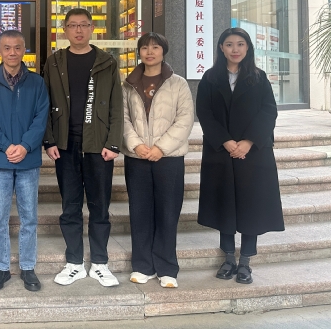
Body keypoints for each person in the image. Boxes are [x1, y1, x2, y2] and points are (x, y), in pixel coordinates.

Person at [43, 8, 124, 287]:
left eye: (84, 25)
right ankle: (74, 263)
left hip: (98, 145)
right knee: (70, 206)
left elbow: (116, 105)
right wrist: (49, 140)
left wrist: (113, 143)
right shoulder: (54, 62)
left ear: (92, 29)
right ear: (65, 30)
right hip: (65, 145)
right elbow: (44, 103)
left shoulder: (106, 62)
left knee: (100, 206)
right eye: (73, 25)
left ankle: (100, 262)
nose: (78, 30)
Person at [196, 27, 284, 285]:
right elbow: (204, 112)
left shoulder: (258, 77)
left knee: (251, 205)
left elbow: (269, 111)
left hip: (253, 153)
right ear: (221, 48)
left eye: (240, 44)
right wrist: (226, 141)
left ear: (248, 48)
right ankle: (228, 259)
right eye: (229, 44)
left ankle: (245, 261)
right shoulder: (210, 78)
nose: (235, 49)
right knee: (224, 204)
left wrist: (248, 142)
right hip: (220, 152)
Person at [0, 30, 49, 292]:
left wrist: (25, 146)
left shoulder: (37, 83)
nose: (12, 53)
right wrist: (7, 146)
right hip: (0, 159)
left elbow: (41, 119)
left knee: (29, 216)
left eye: (17, 48)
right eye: (7, 48)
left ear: (24, 50)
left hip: (28, 160)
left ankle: (28, 267)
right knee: (0, 217)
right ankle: (1, 267)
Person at [122, 32, 194, 288]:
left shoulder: (178, 84)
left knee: (167, 212)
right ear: (139, 52)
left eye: (155, 47)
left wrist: (161, 148)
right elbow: (122, 118)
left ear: (164, 51)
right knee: (139, 211)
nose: (149, 52)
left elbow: (185, 119)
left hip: (169, 158)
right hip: (137, 157)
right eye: (144, 48)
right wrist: (137, 145)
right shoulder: (128, 84)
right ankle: (143, 266)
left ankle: (167, 268)